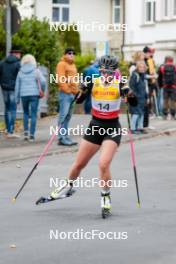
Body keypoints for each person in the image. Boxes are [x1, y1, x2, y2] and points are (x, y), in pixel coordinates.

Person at [36, 55, 137, 218]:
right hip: (94, 127)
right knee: (79, 164)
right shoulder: (94, 82)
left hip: (112, 129)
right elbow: (79, 100)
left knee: (103, 164)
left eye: (110, 73)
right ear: (100, 70)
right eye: (104, 71)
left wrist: (129, 95)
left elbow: (134, 103)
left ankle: (105, 197)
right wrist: (81, 90)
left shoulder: (120, 84)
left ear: (115, 72)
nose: (106, 75)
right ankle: (67, 188)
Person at [15, 54, 46, 142]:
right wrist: (42, 91)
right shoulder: (36, 71)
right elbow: (43, 81)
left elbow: (17, 86)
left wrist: (17, 98)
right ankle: (32, 135)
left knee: (25, 113)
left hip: (24, 95)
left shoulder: (20, 71)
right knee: (33, 114)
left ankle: (25, 134)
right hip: (34, 95)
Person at [56, 48, 79, 146]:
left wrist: (77, 91)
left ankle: (65, 136)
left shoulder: (73, 65)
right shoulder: (61, 64)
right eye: (69, 53)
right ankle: (61, 138)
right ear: (65, 54)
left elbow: (75, 79)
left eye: (73, 53)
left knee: (68, 117)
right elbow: (60, 79)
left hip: (73, 94)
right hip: (65, 94)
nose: (72, 54)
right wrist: (67, 90)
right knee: (63, 115)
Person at [0, 46, 21, 137]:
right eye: (19, 54)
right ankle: (11, 131)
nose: (20, 56)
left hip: (4, 88)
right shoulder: (18, 64)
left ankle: (8, 129)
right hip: (13, 88)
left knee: (7, 108)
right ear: (16, 54)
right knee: (13, 109)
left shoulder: (2, 63)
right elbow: (20, 77)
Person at [129, 61, 148, 134]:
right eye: (140, 67)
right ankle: (133, 128)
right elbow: (131, 87)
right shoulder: (135, 75)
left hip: (142, 98)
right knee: (136, 113)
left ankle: (140, 127)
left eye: (143, 67)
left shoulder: (143, 75)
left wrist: (146, 97)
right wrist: (135, 96)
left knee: (141, 113)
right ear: (137, 67)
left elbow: (144, 88)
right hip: (136, 98)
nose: (142, 69)